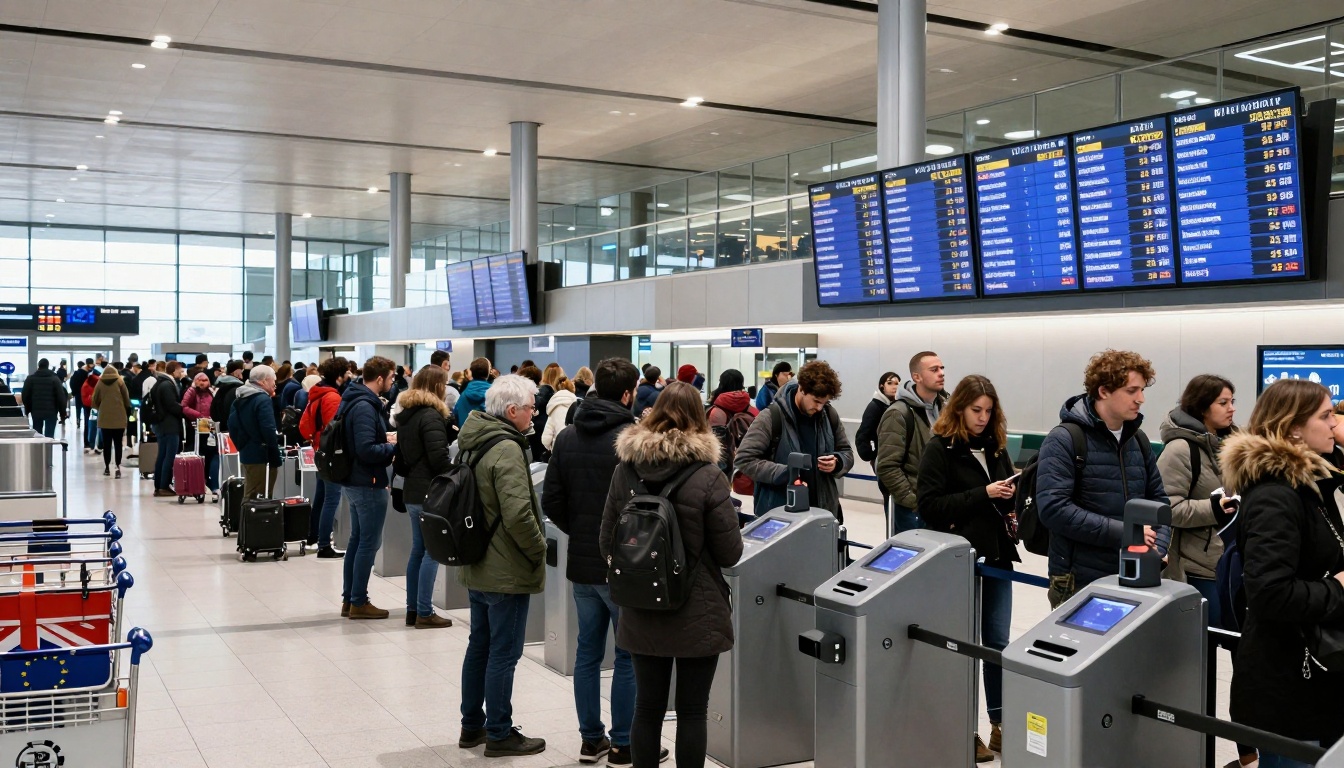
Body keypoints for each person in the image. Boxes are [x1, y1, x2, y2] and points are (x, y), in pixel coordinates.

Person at [600, 381, 743, 768]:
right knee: (693, 711)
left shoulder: (625, 470)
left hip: (641, 606)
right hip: (698, 610)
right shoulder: (709, 476)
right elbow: (731, 553)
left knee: (646, 708)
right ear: (700, 418)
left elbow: (607, 542)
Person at [1223, 379, 1344, 767]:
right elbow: (1270, 593)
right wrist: (1338, 588)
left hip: (1316, 677)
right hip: (1288, 688)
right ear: (1293, 427)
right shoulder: (1276, 495)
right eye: (1326, 416)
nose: (1334, 424)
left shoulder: (1312, 487)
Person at [542, 358, 641, 763]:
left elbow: (551, 501)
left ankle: (590, 739)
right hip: (626, 566)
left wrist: (582, 534)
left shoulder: (566, 436)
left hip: (582, 564)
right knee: (628, 655)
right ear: (627, 394)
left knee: (586, 652)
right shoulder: (632, 439)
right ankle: (623, 743)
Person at [916, 375, 1019, 762]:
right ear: (958, 408)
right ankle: (962, 727)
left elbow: (1006, 500)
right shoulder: (940, 448)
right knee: (959, 644)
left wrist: (1011, 495)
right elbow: (929, 505)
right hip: (956, 559)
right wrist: (984, 493)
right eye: (976, 410)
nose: (983, 417)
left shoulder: (995, 448)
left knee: (997, 643)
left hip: (996, 557)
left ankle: (1002, 725)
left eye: (989, 411)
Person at [455, 374, 548, 758]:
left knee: (479, 646)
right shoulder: (507, 448)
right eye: (530, 408)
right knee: (503, 653)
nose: (533, 414)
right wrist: (539, 549)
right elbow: (518, 514)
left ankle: (471, 725)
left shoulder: (471, 439)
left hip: (476, 559)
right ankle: (499, 732)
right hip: (505, 569)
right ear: (512, 411)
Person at [1037, 349, 1170, 608]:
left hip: (1135, 572)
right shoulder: (1064, 439)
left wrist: (1160, 549)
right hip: (1078, 578)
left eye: (1142, 390)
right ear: (1103, 391)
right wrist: (1127, 533)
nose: (1141, 399)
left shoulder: (1138, 440)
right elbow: (1054, 509)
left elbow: (1159, 501)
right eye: (1131, 391)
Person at [1157, 375, 1239, 617]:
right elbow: (1167, 509)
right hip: (1199, 568)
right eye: (1223, 403)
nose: (1231, 408)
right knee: (1204, 644)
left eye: (1232, 401)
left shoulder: (1235, 444)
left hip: (1236, 559)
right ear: (1203, 407)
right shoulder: (1180, 449)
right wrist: (1215, 509)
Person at [735, 360, 854, 520]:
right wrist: (786, 473)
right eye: (816, 401)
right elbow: (744, 459)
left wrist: (837, 462)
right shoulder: (771, 417)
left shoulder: (829, 416)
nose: (819, 408)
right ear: (802, 389)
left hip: (822, 512)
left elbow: (846, 452)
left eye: (824, 403)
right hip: (780, 513)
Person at [338, 357, 399, 620]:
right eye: (391, 377)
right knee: (368, 543)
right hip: (367, 482)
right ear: (380, 378)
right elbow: (365, 449)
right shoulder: (364, 406)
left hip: (355, 480)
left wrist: (382, 438)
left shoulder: (354, 399)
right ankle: (359, 601)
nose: (393, 381)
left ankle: (350, 598)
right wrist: (394, 448)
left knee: (357, 541)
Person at [394, 366, 454, 629]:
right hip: (429, 491)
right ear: (437, 386)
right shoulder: (431, 416)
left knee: (418, 550)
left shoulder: (406, 414)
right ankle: (425, 612)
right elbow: (438, 458)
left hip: (412, 491)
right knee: (432, 552)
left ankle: (412, 609)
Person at [874, 352, 949, 534]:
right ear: (917, 377)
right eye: (934, 369)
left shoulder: (947, 409)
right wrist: (912, 500)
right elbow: (887, 466)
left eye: (942, 368)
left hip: (942, 503)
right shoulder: (898, 414)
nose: (941, 373)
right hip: (912, 509)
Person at [300, 356, 350, 559]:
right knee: (331, 499)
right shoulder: (332, 398)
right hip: (331, 455)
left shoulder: (317, 394)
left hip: (319, 451)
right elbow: (335, 430)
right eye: (346, 372)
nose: (349, 375)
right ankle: (323, 545)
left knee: (321, 497)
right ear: (339, 375)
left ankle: (313, 536)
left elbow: (305, 426)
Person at [228, 365, 282, 501]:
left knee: (250, 493)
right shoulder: (262, 399)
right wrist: (274, 453)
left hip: (247, 452)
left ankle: (245, 522)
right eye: (273, 380)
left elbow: (232, 425)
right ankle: (254, 522)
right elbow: (268, 429)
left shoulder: (240, 397)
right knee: (259, 496)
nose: (275, 384)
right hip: (261, 455)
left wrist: (242, 445)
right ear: (263, 381)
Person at [148, 362, 187, 496]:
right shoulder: (167, 385)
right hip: (169, 425)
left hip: (161, 424)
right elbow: (171, 405)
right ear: (174, 371)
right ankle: (163, 486)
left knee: (162, 456)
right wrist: (184, 410)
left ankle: (159, 485)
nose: (181, 374)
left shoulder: (160, 383)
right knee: (169, 457)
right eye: (180, 371)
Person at [181, 372, 219, 502]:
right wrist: (199, 416)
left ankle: (212, 485)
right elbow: (184, 407)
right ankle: (201, 482)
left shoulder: (211, 392)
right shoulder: (191, 391)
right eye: (200, 380)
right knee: (200, 455)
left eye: (205, 380)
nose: (202, 383)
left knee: (211, 455)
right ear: (195, 381)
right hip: (196, 430)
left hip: (210, 429)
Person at [91, 364, 131, 478]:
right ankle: (118, 467)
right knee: (118, 444)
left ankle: (107, 468)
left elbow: (94, 400)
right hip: (119, 416)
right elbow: (126, 399)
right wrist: (125, 410)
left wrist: (101, 408)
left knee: (106, 444)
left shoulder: (100, 382)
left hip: (104, 418)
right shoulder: (120, 381)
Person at [856, 371, 900, 467]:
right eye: (889, 383)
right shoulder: (875, 407)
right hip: (881, 459)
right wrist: (872, 455)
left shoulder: (895, 405)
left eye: (896, 383)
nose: (894, 386)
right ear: (882, 386)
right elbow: (863, 434)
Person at [21, 358, 66, 438]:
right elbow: (61, 397)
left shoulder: (30, 379)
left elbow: (25, 395)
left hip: (36, 410)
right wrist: (62, 413)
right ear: (47, 366)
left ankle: (38, 449)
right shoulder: (54, 379)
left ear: (38, 366)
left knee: (37, 435)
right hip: (51, 411)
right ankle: (48, 449)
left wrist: (28, 409)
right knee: (49, 436)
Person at [540, 376, 577, 454]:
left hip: (558, 452)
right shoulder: (577, 406)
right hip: (574, 451)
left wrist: (551, 447)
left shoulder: (553, 407)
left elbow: (545, 439)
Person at [454, 357, 492, 428]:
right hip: (489, 437)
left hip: (465, 436)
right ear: (488, 372)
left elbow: (456, 413)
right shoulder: (494, 394)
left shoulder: (463, 395)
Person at [211, 360, 246, 431]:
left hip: (220, 424)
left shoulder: (220, 384)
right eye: (242, 371)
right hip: (231, 427)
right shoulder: (236, 388)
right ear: (237, 372)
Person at [81, 368, 101, 452]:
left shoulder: (86, 382)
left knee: (87, 424)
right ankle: (98, 445)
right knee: (97, 425)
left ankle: (88, 444)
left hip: (87, 406)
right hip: (95, 406)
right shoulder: (97, 381)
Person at [68, 360, 91, 431]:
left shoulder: (75, 374)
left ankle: (78, 421)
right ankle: (86, 422)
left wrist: (74, 392)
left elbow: (71, 383)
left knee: (78, 408)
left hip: (78, 394)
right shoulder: (87, 374)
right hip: (86, 394)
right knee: (86, 409)